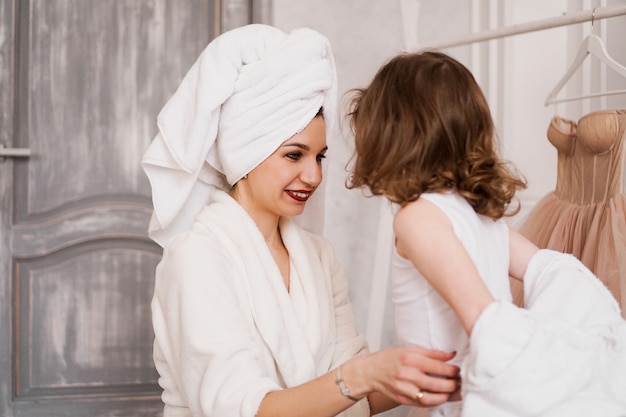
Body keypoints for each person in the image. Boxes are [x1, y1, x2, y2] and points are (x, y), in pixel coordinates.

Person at [141, 25, 459, 417]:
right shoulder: (196, 257)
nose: (313, 176)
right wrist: (364, 373)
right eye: (295, 155)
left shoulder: (318, 256)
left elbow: (358, 397)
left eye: (319, 157)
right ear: (246, 152)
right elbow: (244, 408)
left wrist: (439, 367)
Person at [346, 50, 626, 417]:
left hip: (456, 402)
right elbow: (550, 267)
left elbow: (483, 318)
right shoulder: (482, 218)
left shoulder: (416, 217)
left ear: (390, 136)